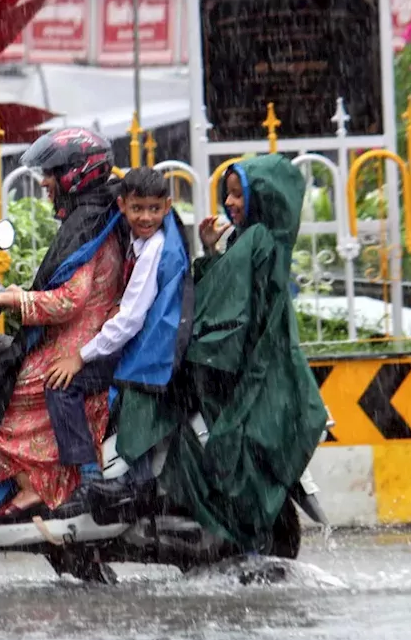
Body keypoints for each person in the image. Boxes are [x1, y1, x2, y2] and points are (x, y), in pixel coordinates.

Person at [111, 155, 327, 553]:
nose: (230, 203)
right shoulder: (253, 239)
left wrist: (196, 347)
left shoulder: (259, 241)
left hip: (251, 365)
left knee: (211, 437)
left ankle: (147, 493)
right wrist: (211, 250)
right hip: (246, 361)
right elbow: (226, 292)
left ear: (262, 196)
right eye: (228, 194)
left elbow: (230, 308)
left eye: (238, 194)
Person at [0, 128, 124, 519]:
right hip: (82, 331)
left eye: (52, 172)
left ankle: (37, 487)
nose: (45, 181)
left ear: (76, 174)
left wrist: (6, 298)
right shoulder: (90, 215)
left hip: (83, 338)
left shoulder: (90, 220)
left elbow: (67, 301)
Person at [43, 167, 191, 487]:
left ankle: (88, 479)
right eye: (137, 208)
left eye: (154, 209)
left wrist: (80, 357)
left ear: (167, 206)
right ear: (122, 205)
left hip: (144, 355)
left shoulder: (153, 250)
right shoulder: (141, 242)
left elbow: (130, 320)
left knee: (60, 384)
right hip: (146, 348)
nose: (146, 217)